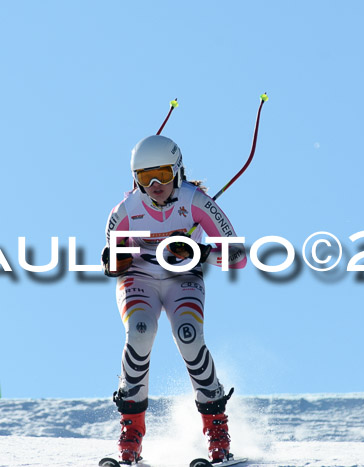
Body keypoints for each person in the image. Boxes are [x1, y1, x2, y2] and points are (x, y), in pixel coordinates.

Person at [101, 135, 247, 464]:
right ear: (134, 179)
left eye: (164, 175)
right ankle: (131, 435)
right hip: (139, 279)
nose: (155, 184)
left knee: (189, 336)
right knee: (140, 332)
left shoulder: (196, 203)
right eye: (144, 177)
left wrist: (201, 250)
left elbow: (238, 257)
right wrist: (114, 261)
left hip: (182, 277)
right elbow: (112, 257)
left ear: (178, 171)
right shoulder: (125, 210)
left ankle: (217, 431)